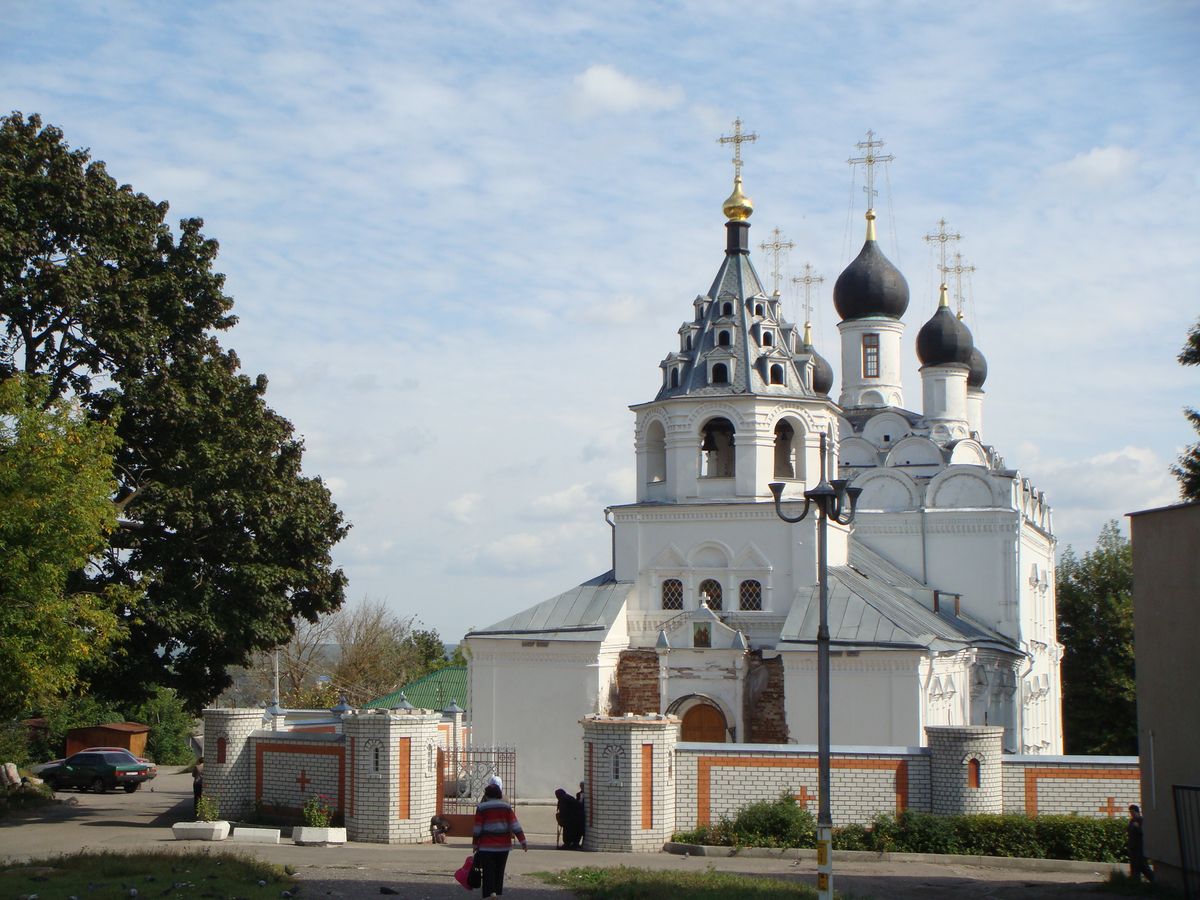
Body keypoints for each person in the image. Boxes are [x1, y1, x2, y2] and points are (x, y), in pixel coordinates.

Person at [472, 782, 526, 898]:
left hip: (486, 846)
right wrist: (523, 841)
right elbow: (514, 825)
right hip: (503, 846)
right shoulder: (506, 807)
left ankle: (491, 893)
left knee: (488, 870)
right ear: (499, 795)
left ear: (486, 795)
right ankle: (497, 891)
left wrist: (475, 843)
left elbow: (477, 828)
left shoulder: (481, 808)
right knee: (499, 870)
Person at [1126, 804, 1154, 882]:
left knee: (1142, 865)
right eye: (1130, 812)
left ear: (1137, 812)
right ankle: (1135, 881)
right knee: (1134, 865)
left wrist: (1138, 827)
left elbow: (1144, 833)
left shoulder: (1141, 820)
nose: (1131, 813)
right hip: (1133, 846)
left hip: (1140, 847)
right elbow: (1129, 831)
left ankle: (1153, 879)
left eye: (1132, 812)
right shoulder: (1132, 821)